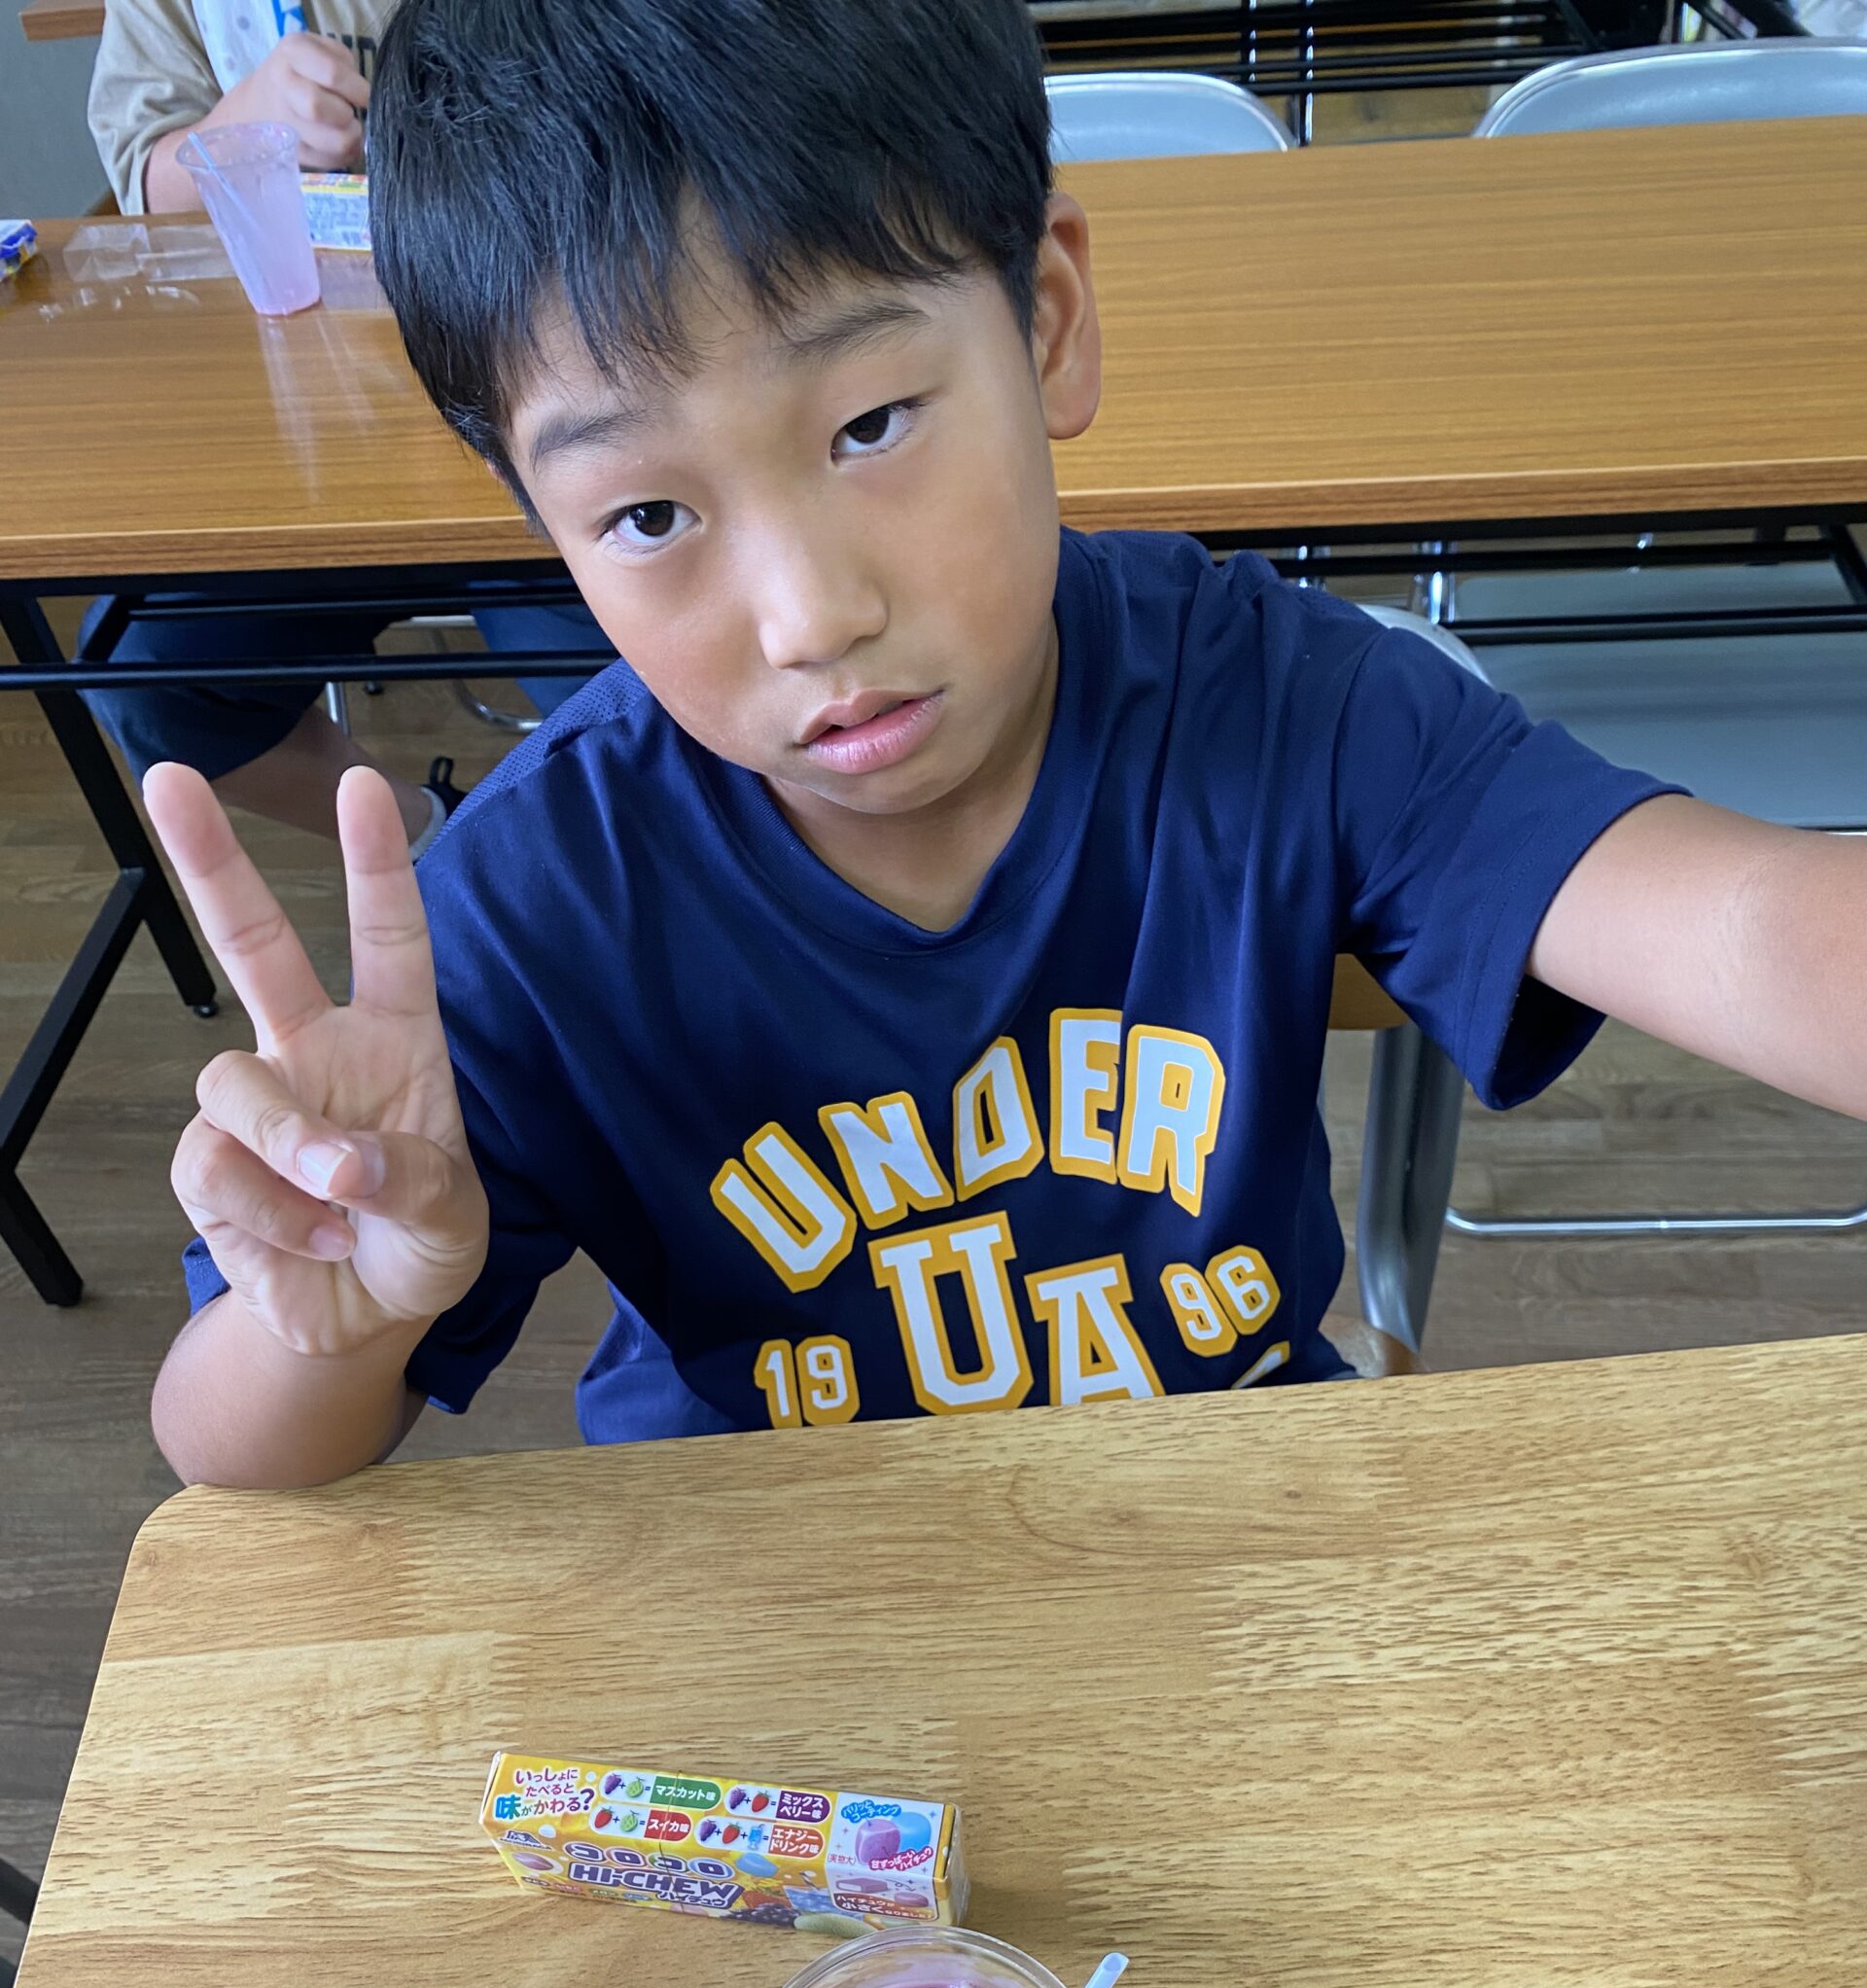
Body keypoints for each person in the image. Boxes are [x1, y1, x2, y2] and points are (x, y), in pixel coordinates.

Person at [143, 0, 1867, 1488]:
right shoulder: (535, 901)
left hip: (1232, 1528)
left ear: (1045, 322)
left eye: (871, 423)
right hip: (781, 1597)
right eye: (650, 514)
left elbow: (1757, 930)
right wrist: (332, 1318)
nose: (810, 615)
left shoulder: (1277, 700)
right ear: (542, 524)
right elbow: (227, 1447)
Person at [85, 0, 611, 848]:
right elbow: (142, 190)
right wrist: (236, 130)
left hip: (542, 411)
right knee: (144, 673)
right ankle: (439, 840)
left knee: (671, 702)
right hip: (304, 445)